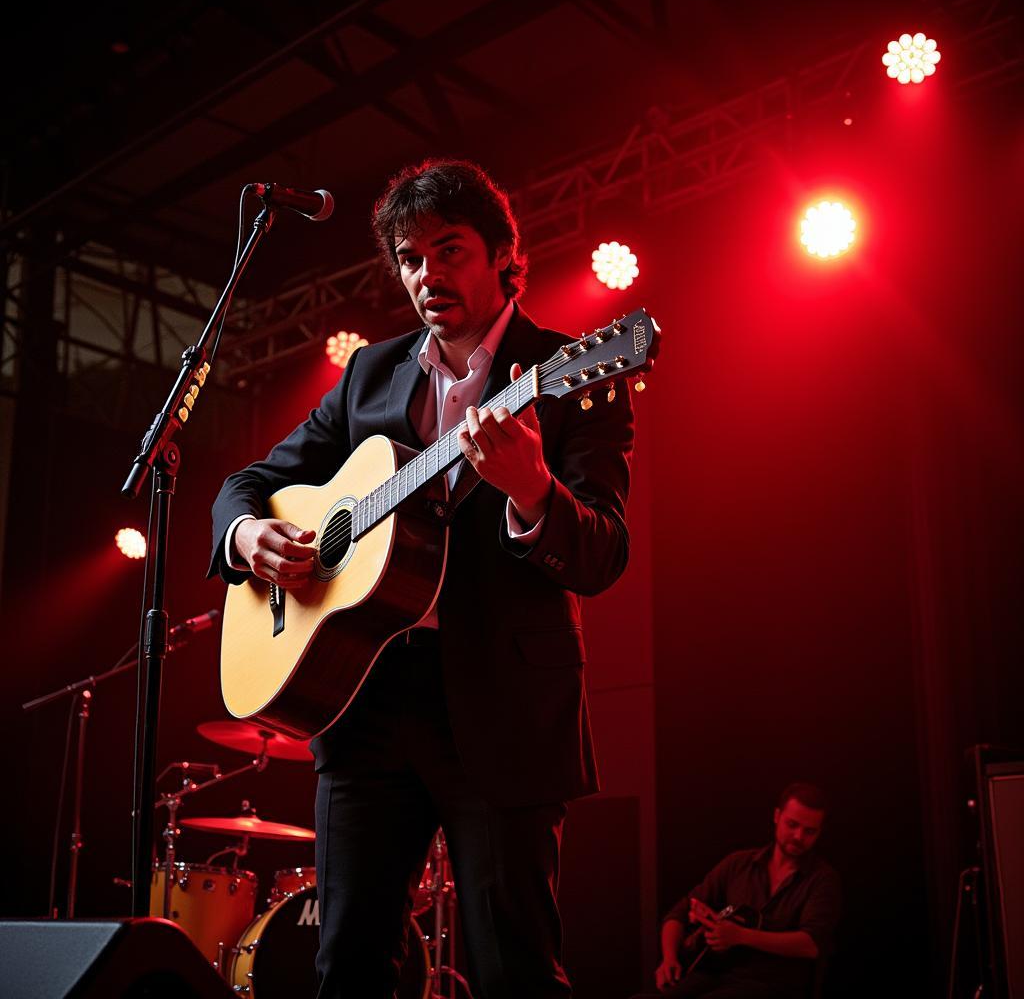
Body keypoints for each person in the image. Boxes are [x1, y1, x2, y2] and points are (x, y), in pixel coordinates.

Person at [208, 158, 635, 998]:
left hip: (502, 711)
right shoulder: (372, 373)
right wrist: (248, 534)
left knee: (513, 968)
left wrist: (532, 492)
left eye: (449, 250)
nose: (426, 274)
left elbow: (603, 551)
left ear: (504, 256)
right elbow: (245, 485)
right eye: (409, 257)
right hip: (362, 703)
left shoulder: (567, 372)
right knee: (346, 968)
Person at [637, 783, 841, 999]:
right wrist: (669, 959)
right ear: (777, 816)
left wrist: (741, 936)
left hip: (772, 985)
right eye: (792, 824)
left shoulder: (823, 880)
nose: (799, 836)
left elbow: (811, 945)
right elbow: (679, 913)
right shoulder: (738, 864)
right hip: (714, 974)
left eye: (809, 831)